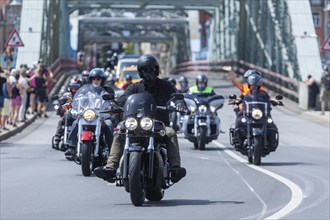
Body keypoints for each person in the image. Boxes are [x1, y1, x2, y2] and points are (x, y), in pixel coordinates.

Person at [94, 54, 187, 183]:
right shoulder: (135, 87)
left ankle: (175, 168)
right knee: (120, 131)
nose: (148, 73)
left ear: (156, 70)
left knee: (170, 132)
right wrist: (114, 104)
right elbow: (124, 98)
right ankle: (110, 168)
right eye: (145, 70)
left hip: (158, 125)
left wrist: (179, 103)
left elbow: (177, 96)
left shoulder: (165, 85)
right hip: (136, 124)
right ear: (140, 72)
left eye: (151, 70)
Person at [65, 68, 115, 158]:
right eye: (94, 79)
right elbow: (76, 101)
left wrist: (111, 106)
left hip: (102, 115)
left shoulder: (107, 91)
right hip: (87, 115)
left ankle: (112, 150)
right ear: (91, 79)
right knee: (75, 122)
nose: (95, 81)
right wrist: (72, 106)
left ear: (102, 80)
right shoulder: (85, 91)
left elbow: (112, 102)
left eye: (98, 79)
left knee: (109, 124)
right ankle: (71, 147)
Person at [235, 73, 278, 151]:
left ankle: (272, 143)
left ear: (258, 85)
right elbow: (240, 97)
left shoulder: (263, 94)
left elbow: (269, 99)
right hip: (248, 113)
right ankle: (238, 141)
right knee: (239, 122)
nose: (253, 86)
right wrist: (237, 100)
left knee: (271, 125)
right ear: (249, 85)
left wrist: (275, 101)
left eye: (255, 85)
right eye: (252, 85)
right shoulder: (247, 94)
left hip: (261, 114)